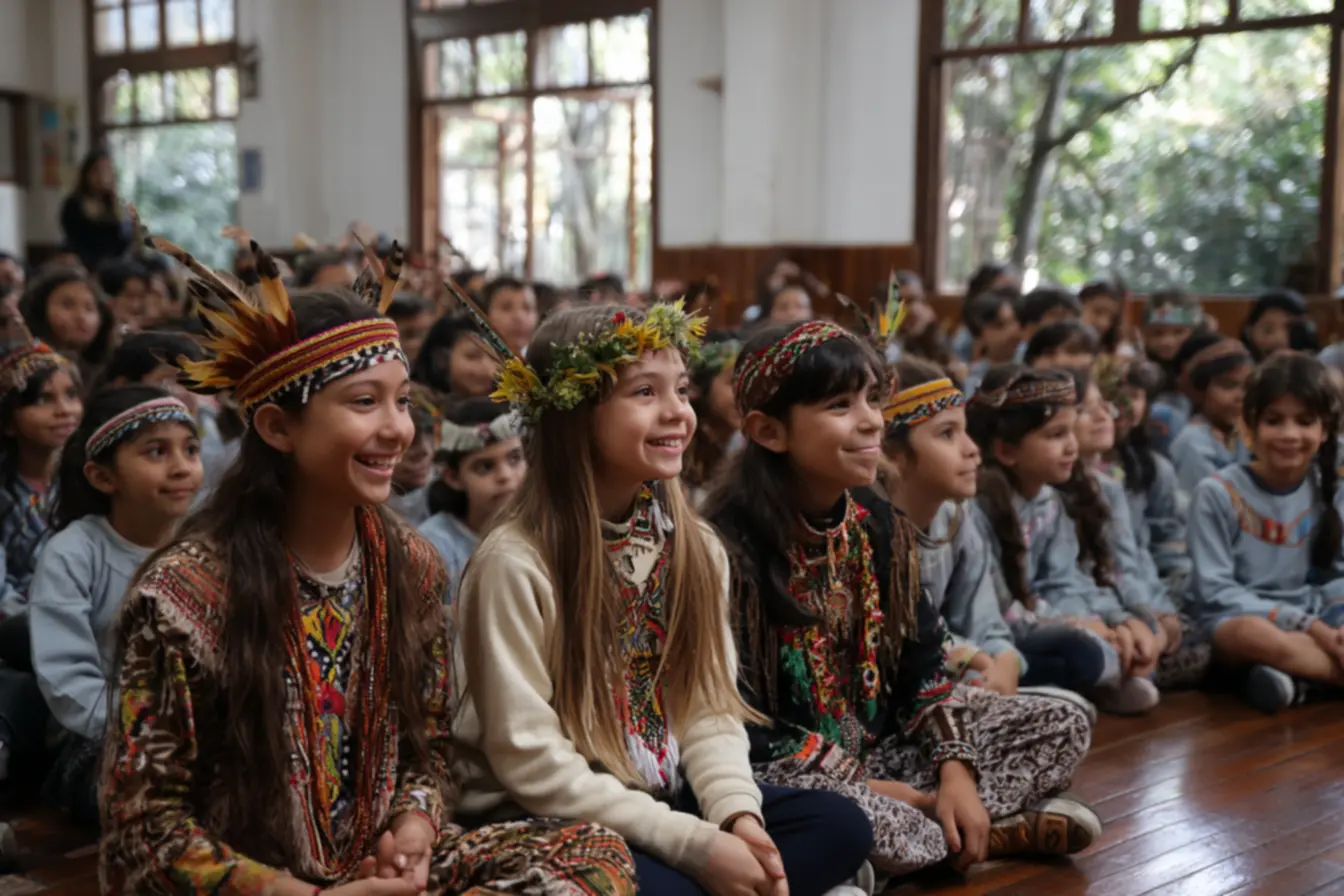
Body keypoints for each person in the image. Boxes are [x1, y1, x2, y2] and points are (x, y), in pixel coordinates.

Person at [99, 237, 636, 894]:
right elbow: (142, 829)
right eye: (364, 403)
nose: (398, 430)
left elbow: (429, 751)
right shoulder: (182, 598)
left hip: (378, 871)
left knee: (594, 853)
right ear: (276, 428)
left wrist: (413, 830)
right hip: (259, 887)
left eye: (403, 400)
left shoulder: (411, 565)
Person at [454, 303, 874, 895]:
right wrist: (695, 845)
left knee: (841, 825)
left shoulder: (694, 545)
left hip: (658, 793)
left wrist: (737, 819)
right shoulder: (515, 563)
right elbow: (532, 763)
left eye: (681, 388)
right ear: (575, 413)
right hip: (547, 818)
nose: (678, 412)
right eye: (645, 392)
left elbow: (708, 706)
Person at [705, 323, 1096, 881]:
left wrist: (955, 773)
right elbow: (738, 729)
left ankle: (932, 838)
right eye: (840, 404)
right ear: (769, 431)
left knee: (1063, 721)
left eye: (872, 399)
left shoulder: (877, 523)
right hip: (792, 773)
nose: (870, 420)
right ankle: (976, 832)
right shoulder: (722, 549)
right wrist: (902, 795)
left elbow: (926, 669)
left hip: (882, 748)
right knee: (842, 817)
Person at [31, 386, 201, 825]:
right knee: (149, 795)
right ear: (103, 477)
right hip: (101, 737)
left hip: (197, 730)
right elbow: (68, 679)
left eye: (191, 450)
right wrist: (151, 734)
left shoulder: (206, 548)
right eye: (157, 452)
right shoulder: (73, 553)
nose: (182, 467)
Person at [967, 365, 1158, 714]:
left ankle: (1084, 683)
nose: (1071, 445)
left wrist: (1114, 621)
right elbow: (998, 607)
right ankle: (1061, 689)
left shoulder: (1049, 502)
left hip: (1040, 623)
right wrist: (1077, 625)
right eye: (1055, 435)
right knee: (1086, 652)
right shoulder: (976, 509)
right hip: (999, 633)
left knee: (1135, 639)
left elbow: (1063, 582)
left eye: (1071, 431)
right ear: (1007, 451)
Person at [1189, 351, 1344, 713]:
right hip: (1242, 619)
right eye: (1274, 421)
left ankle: (1295, 681)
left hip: (1317, 612)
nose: (1290, 434)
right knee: (1251, 636)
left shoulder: (1330, 486)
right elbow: (1214, 591)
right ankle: (1319, 677)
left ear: (1324, 430)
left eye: (1305, 422)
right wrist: (1308, 626)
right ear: (1249, 425)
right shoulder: (1217, 492)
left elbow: (1337, 574)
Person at [418, 399, 525, 604]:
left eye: (514, 458)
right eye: (485, 467)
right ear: (453, 478)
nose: (505, 475)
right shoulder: (435, 547)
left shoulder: (543, 528)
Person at [1168, 335, 1254, 497]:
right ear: (1200, 391)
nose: (1241, 397)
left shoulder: (1239, 435)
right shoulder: (1192, 444)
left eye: (1248, 387)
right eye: (1228, 386)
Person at [59, 150, 130, 271]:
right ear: (87, 173)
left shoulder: (116, 205)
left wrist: (118, 211)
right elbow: (73, 238)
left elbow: (124, 241)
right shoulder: (74, 204)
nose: (102, 175)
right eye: (97, 170)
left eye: (107, 169)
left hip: (116, 263)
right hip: (85, 263)